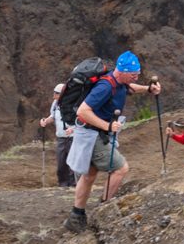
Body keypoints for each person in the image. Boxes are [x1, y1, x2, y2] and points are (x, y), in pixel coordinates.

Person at [65, 51, 160, 232]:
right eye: (133, 74)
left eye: (137, 73)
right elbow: (83, 111)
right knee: (120, 168)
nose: (136, 76)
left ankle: (76, 216)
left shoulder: (118, 82)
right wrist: (107, 127)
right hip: (93, 135)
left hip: (90, 135)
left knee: (89, 175)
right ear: (122, 71)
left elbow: (130, 87)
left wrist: (148, 89)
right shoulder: (105, 87)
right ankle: (103, 208)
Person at [36, 81, 77, 188]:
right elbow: (52, 116)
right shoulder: (55, 104)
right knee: (61, 163)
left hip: (73, 138)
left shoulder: (74, 104)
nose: (54, 95)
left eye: (56, 93)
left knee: (72, 163)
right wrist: (45, 121)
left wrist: (73, 129)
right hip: (60, 138)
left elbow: (81, 121)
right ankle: (63, 184)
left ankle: (73, 185)